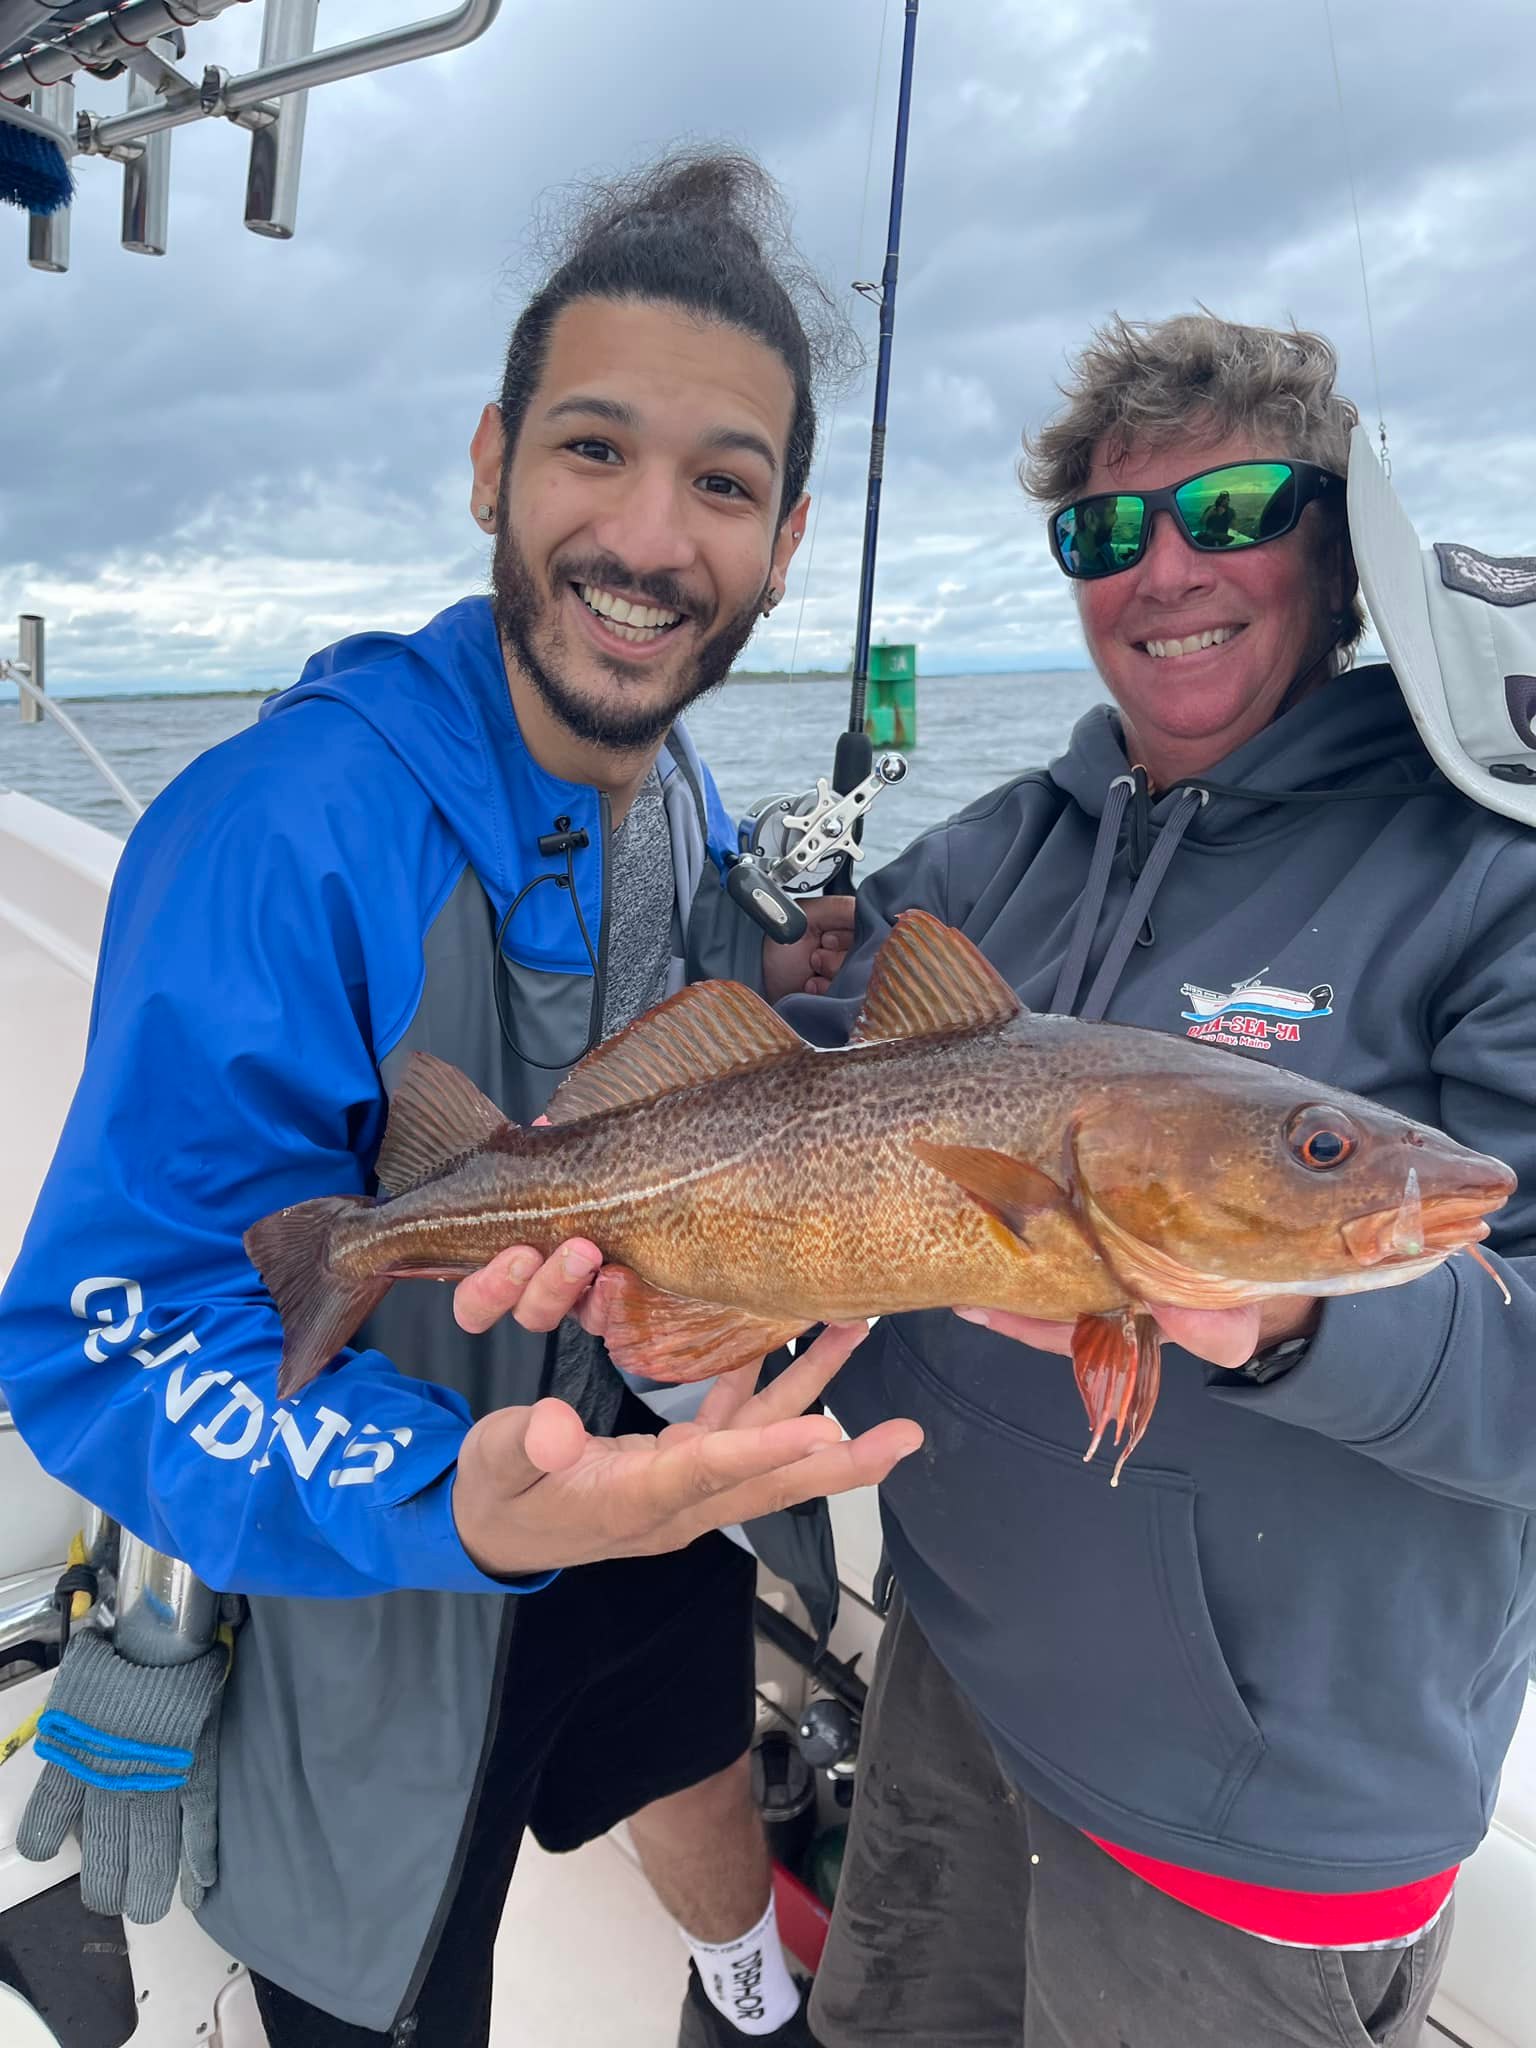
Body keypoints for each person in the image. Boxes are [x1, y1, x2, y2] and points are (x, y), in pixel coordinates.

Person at [0, 148, 920, 2047]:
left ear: (785, 537)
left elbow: (686, 1103)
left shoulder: (673, 797)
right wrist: (462, 1500)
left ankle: (750, 2000)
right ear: (493, 461)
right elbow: (113, 1339)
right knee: (402, 1982)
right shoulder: (282, 834)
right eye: (596, 451)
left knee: (683, 1740)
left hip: (634, 1487)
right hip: (386, 1584)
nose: (653, 538)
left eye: (723, 484)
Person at [778, 313, 1536, 2047]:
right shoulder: (992, 853)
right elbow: (813, 1098)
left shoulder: (1491, 874)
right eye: (1109, 532)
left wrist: (1279, 1319)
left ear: (1340, 548)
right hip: (950, 1685)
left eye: (1238, 509)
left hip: (1257, 1812)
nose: (1167, 567)